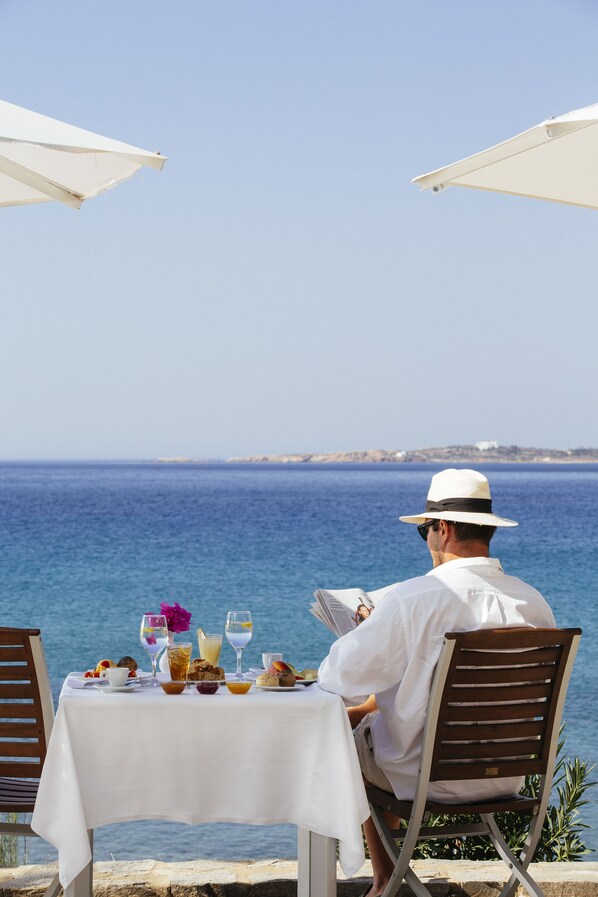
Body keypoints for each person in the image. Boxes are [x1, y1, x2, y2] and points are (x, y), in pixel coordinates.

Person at [317, 468, 556, 897]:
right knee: (379, 713)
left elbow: (336, 679)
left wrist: (363, 632)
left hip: (425, 778)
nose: (427, 539)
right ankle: (384, 882)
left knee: (343, 738)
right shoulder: (533, 602)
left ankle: (384, 882)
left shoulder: (412, 600)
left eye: (425, 530)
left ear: (442, 530)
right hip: (509, 777)